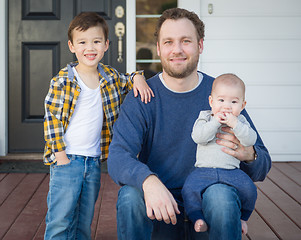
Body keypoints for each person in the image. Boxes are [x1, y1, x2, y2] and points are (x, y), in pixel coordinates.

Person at [107, 8, 271, 240]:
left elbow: (263, 164)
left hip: (207, 206)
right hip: (161, 206)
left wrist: (248, 154)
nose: (177, 50)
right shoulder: (141, 97)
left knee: (222, 197)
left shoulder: (221, 94)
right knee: (129, 197)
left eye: (186, 41)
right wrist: (148, 181)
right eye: (169, 42)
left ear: (200, 45)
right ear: (158, 48)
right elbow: (117, 156)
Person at [43, 12, 154, 240]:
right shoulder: (63, 80)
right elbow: (51, 118)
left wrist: (139, 77)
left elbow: (129, 78)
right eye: (82, 42)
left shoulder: (110, 77)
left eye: (96, 41)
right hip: (67, 160)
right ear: (72, 46)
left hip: (93, 161)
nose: (90, 48)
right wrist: (60, 155)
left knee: (84, 219)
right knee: (60, 219)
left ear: (106, 45)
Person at [182, 73, 258, 235]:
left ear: (242, 105)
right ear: (211, 101)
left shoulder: (241, 121)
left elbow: (251, 139)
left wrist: (235, 124)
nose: (227, 107)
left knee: (250, 189)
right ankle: (197, 218)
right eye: (221, 100)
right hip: (204, 171)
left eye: (234, 102)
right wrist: (215, 121)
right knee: (189, 188)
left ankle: (242, 218)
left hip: (231, 172)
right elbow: (198, 137)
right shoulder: (205, 117)